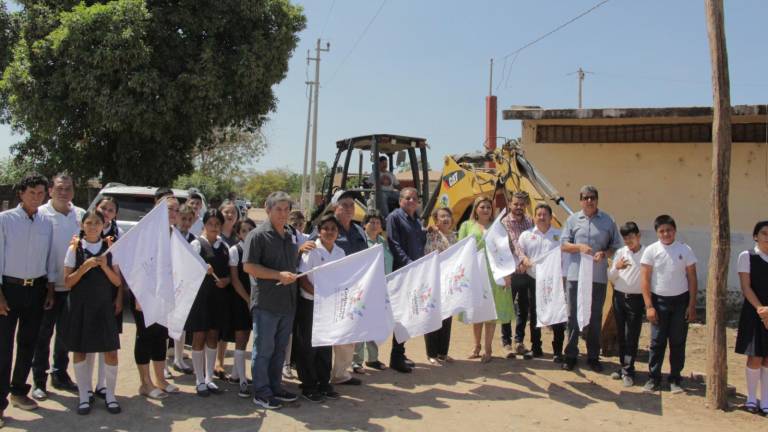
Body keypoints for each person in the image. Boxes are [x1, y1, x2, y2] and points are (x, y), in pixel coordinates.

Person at [0, 174, 55, 425]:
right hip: (9, 290)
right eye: (32, 192)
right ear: (21, 193)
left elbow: (50, 257)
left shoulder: (46, 222)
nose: (36, 197)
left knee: (28, 343)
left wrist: (50, 289)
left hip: (36, 290)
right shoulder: (5, 220)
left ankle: (19, 391)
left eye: (41, 193)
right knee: (3, 347)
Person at [63, 209, 123, 415]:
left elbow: (117, 281)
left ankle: (110, 395)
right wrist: (85, 267)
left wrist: (105, 267)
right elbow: (68, 282)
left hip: (103, 307)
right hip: (81, 306)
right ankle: (83, 396)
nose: (93, 227)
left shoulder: (110, 248)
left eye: (97, 223)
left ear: (103, 225)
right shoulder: (75, 248)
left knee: (111, 352)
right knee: (80, 350)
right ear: (82, 225)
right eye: (89, 223)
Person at [243, 191, 299, 410]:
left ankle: (275, 387)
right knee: (264, 350)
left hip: (287, 303)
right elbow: (249, 266)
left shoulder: (290, 234)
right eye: (278, 209)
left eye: (286, 209)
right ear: (268, 209)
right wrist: (278, 275)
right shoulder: (257, 235)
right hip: (266, 303)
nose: (283, 213)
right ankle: (261, 392)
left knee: (279, 350)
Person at [31, 173, 83, 401]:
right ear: (50, 190)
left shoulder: (80, 215)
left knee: (65, 336)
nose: (63, 192)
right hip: (46, 288)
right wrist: (49, 285)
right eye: (59, 188)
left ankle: (60, 374)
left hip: (72, 287)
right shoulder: (40, 215)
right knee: (42, 335)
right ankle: (39, 381)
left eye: (68, 188)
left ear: (73, 191)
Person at [560, 185, 622, 372]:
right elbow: (563, 245)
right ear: (580, 201)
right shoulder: (572, 220)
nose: (589, 201)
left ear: (597, 200)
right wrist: (578, 247)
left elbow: (616, 246)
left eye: (592, 197)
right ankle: (571, 354)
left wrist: (604, 253)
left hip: (597, 277)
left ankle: (593, 356)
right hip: (575, 276)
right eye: (586, 197)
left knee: (595, 316)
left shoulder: (608, 220)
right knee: (572, 315)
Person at [640, 214, 697, 393]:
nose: (666, 234)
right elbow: (645, 279)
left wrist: (691, 305)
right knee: (657, 341)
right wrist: (649, 306)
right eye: (662, 231)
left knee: (678, 341)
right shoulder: (651, 251)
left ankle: (675, 379)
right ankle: (654, 378)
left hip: (680, 302)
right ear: (657, 232)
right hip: (659, 302)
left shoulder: (685, 249)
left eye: (669, 230)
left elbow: (692, 278)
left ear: (675, 231)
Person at [131, 193, 178, 401]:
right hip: (144, 294)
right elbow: (136, 265)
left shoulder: (174, 233)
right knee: (145, 336)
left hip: (163, 294)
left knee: (161, 336)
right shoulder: (146, 233)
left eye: (176, 210)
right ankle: (145, 383)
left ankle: (160, 379)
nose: (173, 213)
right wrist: (138, 295)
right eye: (169, 209)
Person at [295, 213, 344, 402]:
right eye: (326, 229)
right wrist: (319, 295)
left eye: (333, 229)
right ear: (319, 231)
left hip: (330, 305)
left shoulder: (340, 252)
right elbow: (303, 279)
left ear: (338, 232)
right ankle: (308, 385)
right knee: (308, 345)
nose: (329, 232)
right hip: (310, 303)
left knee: (325, 344)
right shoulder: (312, 250)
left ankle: (324, 382)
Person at [458, 196, 513, 363]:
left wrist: (507, 274)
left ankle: (488, 349)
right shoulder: (467, 226)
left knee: (491, 311)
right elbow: (460, 249)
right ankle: (476, 346)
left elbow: (505, 251)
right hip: (475, 271)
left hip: (494, 272)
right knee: (477, 310)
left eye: (489, 207)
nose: (486, 210)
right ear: (476, 209)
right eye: (482, 207)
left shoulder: (498, 227)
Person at [185, 209, 231, 397]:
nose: (214, 227)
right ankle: (199, 380)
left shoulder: (224, 246)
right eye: (210, 224)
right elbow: (186, 271)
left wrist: (226, 281)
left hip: (218, 298)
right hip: (200, 298)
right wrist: (201, 269)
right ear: (204, 224)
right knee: (199, 336)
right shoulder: (196, 245)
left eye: (217, 224)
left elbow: (230, 273)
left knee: (213, 336)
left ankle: (209, 377)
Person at [326, 191, 368, 386]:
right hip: (331, 290)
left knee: (348, 332)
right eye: (345, 205)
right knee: (329, 333)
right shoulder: (327, 227)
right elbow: (313, 247)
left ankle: (340, 373)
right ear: (335, 207)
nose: (350, 208)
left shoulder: (359, 230)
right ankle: (322, 373)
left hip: (354, 290)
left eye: (352, 205)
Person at [517, 203, 566, 363]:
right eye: (539, 214)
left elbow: (565, 257)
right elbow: (520, 252)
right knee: (535, 314)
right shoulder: (526, 235)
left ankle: (558, 351)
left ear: (551, 217)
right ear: (534, 217)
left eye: (545, 214)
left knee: (557, 314)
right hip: (534, 280)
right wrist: (524, 259)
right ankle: (536, 348)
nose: (542, 217)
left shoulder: (559, 235)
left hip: (554, 281)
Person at [386, 187, 426, 373]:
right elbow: (394, 244)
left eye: (414, 198)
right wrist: (409, 264)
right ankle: (395, 357)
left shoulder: (416, 220)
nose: (411, 201)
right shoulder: (394, 217)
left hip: (414, 272)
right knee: (401, 315)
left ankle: (400, 352)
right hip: (402, 272)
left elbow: (419, 243)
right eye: (408, 198)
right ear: (400, 200)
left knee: (409, 313)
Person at [93, 195, 125, 398]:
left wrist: (120, 296)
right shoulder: (85, 229)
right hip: (88, 292)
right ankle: (86, 387)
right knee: (88, 340)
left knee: (107, 341)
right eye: (103, 208)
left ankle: (102, 384)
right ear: (96, 207)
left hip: (110, 290)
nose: (106, 213)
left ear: (115, 214)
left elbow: (121, 270)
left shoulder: (118, 234)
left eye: (110, 210)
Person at [735, 220, 768, 414]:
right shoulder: (747, 256)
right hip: (754, 312)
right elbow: (746, 287)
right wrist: (762, 311)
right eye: (764, 233)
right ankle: (751, 399)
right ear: (756, 236)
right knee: (755, 357)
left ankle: (765, 400)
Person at [607, 222, 645, 387]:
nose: (628, 241)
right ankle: (623, 367)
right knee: (621, 334)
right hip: (619, 298)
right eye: (625, 238)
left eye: (631, 237)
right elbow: (611, 277)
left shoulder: (646, 253)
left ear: (638, 236)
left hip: (636, 299)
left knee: (632, 335)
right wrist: (617, 267)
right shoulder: (621, 253)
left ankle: (629, 371)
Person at [352, 212, 391, 372]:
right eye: (371, 222)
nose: (375, 225)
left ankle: (373, 358)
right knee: (360, 324)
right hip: (364, 289)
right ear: (364, 225)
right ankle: (356, 360)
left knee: (374, 324)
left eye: (377, 223)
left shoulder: (383, 242)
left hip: (380, 288)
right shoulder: (361, 242)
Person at [500, 192, 536, 358]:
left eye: (522, 204)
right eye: (516, 204)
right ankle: (506, 342)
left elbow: (533, 241)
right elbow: (514, 243)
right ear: (510, 204)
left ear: (526, 205)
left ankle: (519, 341)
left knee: (523, 307)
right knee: (507, 307)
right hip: (510, 271)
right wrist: (523, 260)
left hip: (526, 271)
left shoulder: (530, 221)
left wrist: (526, 263)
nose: (519, 207)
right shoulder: (504, 222)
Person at [227, 218, 257, 398]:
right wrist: (247, 299)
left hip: (255, 299)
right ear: (238, 234)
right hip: (241, 300)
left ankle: (235, 374)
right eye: (244, 230)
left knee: (248, 336)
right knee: (241, 337)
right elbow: (235, 279)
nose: (247, 233)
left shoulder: (258, 248)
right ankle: (242, 381)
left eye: (250, 229)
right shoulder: (235, 250)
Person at [423, 207, 457, 365]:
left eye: (448, 216)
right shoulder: (431, 234)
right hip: (433, 279)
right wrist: (429, 229)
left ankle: (443, 352)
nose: (445, 219)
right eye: (442, 216)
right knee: (432, 316)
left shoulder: (454, 236)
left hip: (449, 281)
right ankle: (431, 354)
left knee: (447, 317)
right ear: (436, 220)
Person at [214, 200, 240, 382]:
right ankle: (212, 362)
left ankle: (220, 361)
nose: (230, 215)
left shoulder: (239, 238)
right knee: (214, 327)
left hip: (233, 287)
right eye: (226, 212)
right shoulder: (213, 236)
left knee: (226, 327)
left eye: (233, 212)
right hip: (216, 288)